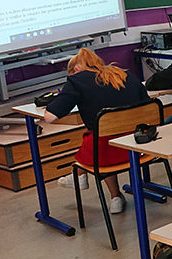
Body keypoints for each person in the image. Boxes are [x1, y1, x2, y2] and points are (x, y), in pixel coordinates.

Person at [45, 48, 149, 214]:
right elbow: (146, 106)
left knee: (99, 139)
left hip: (106, 153)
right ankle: (112, 196)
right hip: (142, 146)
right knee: (104, 135)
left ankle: (81, 176)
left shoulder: (77, 80)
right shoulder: (125, 74)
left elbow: (50, 117)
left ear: (76, 69)